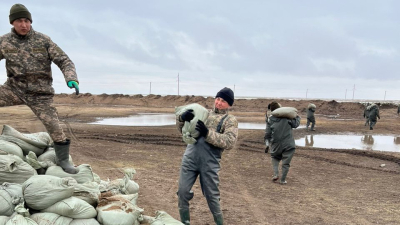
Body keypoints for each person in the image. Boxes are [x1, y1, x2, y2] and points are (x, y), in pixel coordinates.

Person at [0, 4, 79, 174]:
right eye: (20, 21)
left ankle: (63, 160)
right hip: (14, 88)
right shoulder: (4, 41)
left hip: (40, 94)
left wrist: (71, 78)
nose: (24, 25)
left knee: (55, 127)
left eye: (27, 20)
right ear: (12, 22)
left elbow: (64, 60)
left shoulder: (43, 40)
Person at [176, 87, 238, 225]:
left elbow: (229, 142)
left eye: (223, 101)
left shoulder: (230, 120)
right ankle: (184, 222)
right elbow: (183, 130)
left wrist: (207, 133)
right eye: (217, 99)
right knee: (182, 192)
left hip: (209, 163)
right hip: (190, 158)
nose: (219, 102)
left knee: (212, 197)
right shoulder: (203, 113)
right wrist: (182, 118)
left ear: (229, 104)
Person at [264, 101, 300, 185]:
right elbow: (295, 124)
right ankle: (283, 180)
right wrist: (298, 117)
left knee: (275, 157)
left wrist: (267, 143)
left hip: (276, 144)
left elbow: (267, 133)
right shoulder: (288, 117)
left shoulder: (270, 119)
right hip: (288, 144)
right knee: (286, 162)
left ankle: (276, 174)